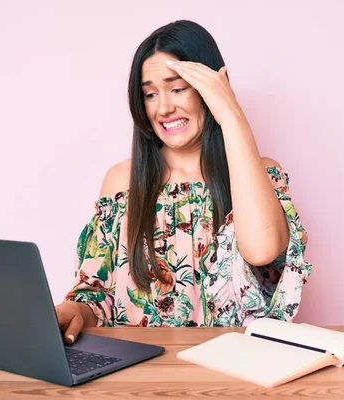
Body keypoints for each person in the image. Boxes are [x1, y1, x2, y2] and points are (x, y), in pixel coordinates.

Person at [55, 20, 312, 344]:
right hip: (144, 379)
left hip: (240, 375)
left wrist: (230, 114)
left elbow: (262, 250)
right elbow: (99, 297)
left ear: (212, 89)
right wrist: (76, 311)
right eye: (150, 94)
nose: (163, 107)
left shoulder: (260, 174)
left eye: (177, 88)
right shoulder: (122, 181)